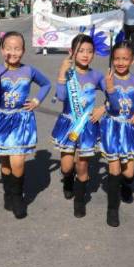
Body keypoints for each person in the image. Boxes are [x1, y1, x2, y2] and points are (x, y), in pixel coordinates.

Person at [0, 32, 51, 219]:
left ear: (23, 50)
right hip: (0, 120)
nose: (13, 52)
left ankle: (18, 197)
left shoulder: (29, 70)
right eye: (9, 48)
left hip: (21, 121)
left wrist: (36, 100)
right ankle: (8, 193)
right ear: (2, 50)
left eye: (17, 48)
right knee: (5, 160)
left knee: (17, 161)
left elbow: (46, 84)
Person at [51, 33, 106, 219]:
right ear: (72, 52)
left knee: (82, 166)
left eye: (89, 51)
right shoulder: (68, 73)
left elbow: (113, 95)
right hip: (68, 124)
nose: (85, 55)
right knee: (67, 167)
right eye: (81, 51)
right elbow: (61, 97)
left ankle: (80, 200)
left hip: (87, 126)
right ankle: (68, 180)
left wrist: (103, 108)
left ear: (94, 54)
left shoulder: (97, 76)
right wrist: (61, 73)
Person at [99, 41, 134, 227]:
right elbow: (113, 106)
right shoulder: (107, 79)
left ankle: (126, 184)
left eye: (125, 59)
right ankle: (112, 209)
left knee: (128, 173)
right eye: (117, 59)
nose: (120, 62)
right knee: (114, 169)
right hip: (113, 128)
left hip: (130, 128)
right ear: (112, 59)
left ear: (133, 60)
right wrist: (110, 88)